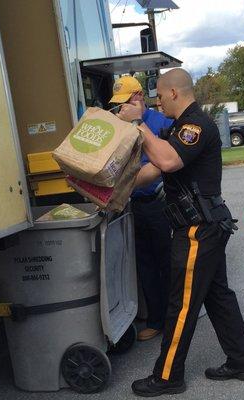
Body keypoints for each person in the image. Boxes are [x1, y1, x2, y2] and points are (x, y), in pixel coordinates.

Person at [118, 68, 244, 397]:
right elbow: (153, 169)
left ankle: (168, 377)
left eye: (161, 96)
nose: (158, 102)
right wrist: (117, 188)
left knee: (180, 305)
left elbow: (166, 162)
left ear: (174, 93)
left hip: (197, 230)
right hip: (204, 225)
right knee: (218, 295)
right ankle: (241, 361)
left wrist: (138, 124)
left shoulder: (195, 126)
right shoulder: (182, 127)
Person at [110, 75, 173, 342]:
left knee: (168, 264)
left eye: (124, 102)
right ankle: (156, 320)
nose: (120, 109)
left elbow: (165, 163)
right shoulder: (120, 126)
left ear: (137, 98)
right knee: (145, 265)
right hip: (135, 205)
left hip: (161, 204)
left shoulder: (162, 124)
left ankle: (174, 322)